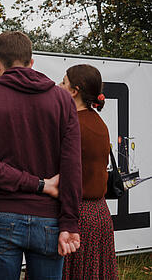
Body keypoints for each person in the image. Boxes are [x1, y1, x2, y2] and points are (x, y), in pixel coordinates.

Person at [0, 31, 82, 280]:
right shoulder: (63, 100)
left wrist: (40, 185)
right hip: (48, 218)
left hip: (0, 215)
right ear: (31, 62)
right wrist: (69, 222)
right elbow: (72, 165)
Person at [59, 64, 118, 279]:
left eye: (63, 82)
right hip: (99, 214)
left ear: (74, 91)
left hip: (77, 215)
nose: (59, 85)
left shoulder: (73, 125)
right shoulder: (98, 123)